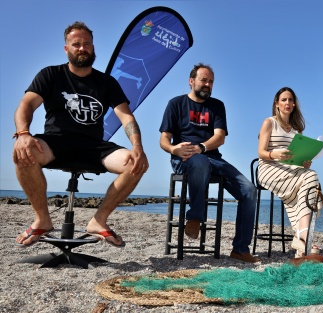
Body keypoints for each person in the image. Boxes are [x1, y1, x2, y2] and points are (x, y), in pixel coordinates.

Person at [13, 22, 148, 248]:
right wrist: (23, 133)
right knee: (23, 152)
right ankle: (42, 220)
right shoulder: (51, 74)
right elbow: (26, 105)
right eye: (76, 44)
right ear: (67, 49)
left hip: (93, 146)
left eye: (87, 44)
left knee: (135, 164)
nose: (82, 48)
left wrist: (137, 147)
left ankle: (98, 220)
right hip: (56, 142)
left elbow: (126, 117)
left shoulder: (106, 82)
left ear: (93, 48)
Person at [159, 63, 259, 263]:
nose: (207, 84)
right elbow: (164, 139)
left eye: (211, 81)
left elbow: (220, 137)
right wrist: (173, 149)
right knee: (200, 162)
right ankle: (195, 216)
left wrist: (202, 147)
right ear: (191, 81)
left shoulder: (217, 105)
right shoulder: (176, 103)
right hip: (184, 159)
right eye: (204, 80)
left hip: (212, 157)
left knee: (249, 190)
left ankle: (240, 249)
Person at [257, 87, 323, 258]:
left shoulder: (297, 129)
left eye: (290, 100)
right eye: (284, 100)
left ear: (294, 104)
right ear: (277, 103)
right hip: (269, 168)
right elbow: (261, 152)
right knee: (311, 179)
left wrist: (305, 161)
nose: (287, 103)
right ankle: (303, 238)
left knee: (311, 176)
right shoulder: (269, 122)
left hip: (291, 170)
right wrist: (275, 154)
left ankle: (301, 240)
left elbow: (297, 156)